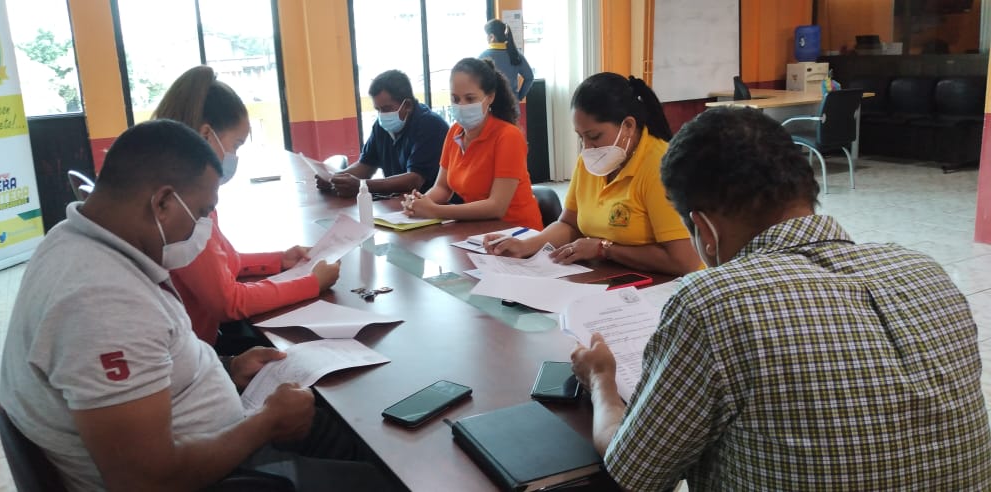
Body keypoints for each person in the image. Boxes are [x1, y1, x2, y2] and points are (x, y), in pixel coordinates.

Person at [570, 107, 991, 490]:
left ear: (705, 230)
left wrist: (602, 379)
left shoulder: (713, 303)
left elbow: (635, 471)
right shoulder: (926, 271)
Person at [0, 120, 391, 491]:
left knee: (347, 432)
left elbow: (155, 354)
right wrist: (268, 424)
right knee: (382, 477)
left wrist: (228, 367)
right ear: (163, 202)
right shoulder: (102, 303)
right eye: (202, 213)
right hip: (224, 475)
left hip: (223, 436)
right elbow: (145, 482)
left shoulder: (72, 239)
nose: (203, 230)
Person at [152, 65, 339, 350]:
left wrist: (279, 260)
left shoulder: (182, 189)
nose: (235, 156)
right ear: (206, 135)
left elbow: (222, 261)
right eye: (236, 145)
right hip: (196, 354)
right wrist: (312, 283)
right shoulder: (182, 206)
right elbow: (229, 302)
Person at [485, 73, 699, 276]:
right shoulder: (592, 160)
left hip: (661, 287)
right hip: (609, 276)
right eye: (581, 137)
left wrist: (604, 249)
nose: (587, 147)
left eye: (594, 136)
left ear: (628, 126)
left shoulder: (659, 166)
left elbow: (684, 261)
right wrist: (526, 246)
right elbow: (569, 224)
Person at [402, 57, 543, 230]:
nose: (461, 105)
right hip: (477, 229)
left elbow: (497, 206)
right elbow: (442, 187)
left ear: (490, 97)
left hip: (517, 232)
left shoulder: (508, 136)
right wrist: (419, 203)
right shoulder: (454, 132)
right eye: (455, 99)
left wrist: (435, 210)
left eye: (470, 99)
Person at [315, 70, 449, 198]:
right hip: (399, 203)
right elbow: (365, 166)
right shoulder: (381, 126)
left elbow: (414, 180)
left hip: (433, 206)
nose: (382, 115)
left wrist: (362, 185)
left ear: (407, 105)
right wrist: (334, 178)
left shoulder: (430, 125)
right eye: (378, 109)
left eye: (386, 108)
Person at [480, 19, 534, 103]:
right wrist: (519, 96)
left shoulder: (483, 57)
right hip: (513, 104)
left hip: (493, 105)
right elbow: (529, 77)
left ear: (491, 37)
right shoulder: (515, 54)